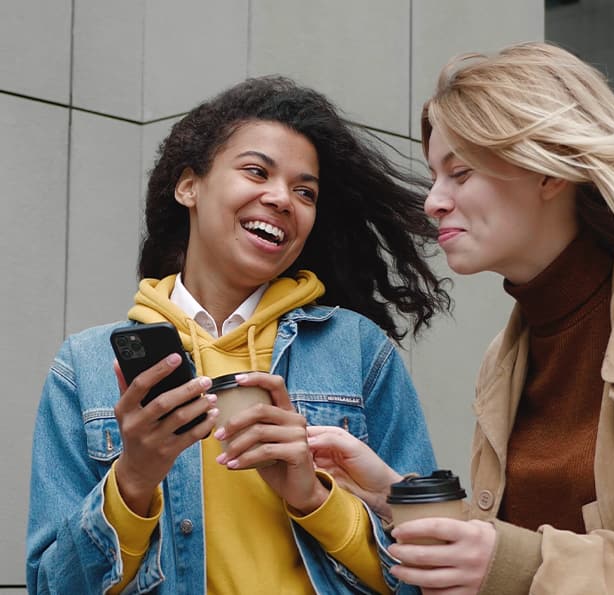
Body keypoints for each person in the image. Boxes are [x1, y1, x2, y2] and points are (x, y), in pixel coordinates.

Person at [307, 41, 614, 594]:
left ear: (549, 172)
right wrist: (394, 495)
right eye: (436, 176)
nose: (433, 201)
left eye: (460, 173)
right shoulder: (506, 358)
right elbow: (518, 545)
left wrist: (521, 564)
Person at [26, 75, 450, 595]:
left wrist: (314, 499)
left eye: (305, 191)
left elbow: (433, 572)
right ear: (189, 186)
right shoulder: (85, 366)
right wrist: (133, 479)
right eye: (256, 171)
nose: (282, 198)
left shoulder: (359, 351)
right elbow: (51, 586)